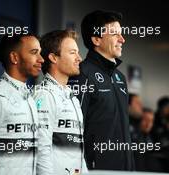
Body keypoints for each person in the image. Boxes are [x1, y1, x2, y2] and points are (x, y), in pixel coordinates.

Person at [69, 10, 135, 170]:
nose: (122, 40)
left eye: (121, 34)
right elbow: (74, 130)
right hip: (96, 169)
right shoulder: (82, 74)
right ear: (96, 39)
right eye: (115, 34)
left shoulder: (120, 77)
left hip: (125, 168)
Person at [0, 33, 44, 175]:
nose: (41, 59)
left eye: (40, 53)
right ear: (14, 57)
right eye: (34, 53)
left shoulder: (29, 96)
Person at [33, 30, 88, 175]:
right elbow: (41, 149)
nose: (79, 58)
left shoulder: (72, 98)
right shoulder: (44, 95)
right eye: (72, 53)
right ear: (53, 57)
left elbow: (79, 152)